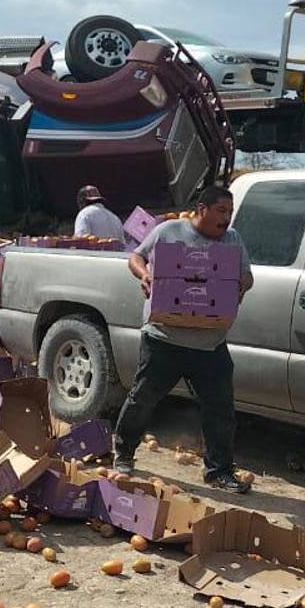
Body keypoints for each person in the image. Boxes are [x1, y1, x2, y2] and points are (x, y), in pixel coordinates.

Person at [113, 185, 255, 493]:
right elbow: (135, 257)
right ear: (202, 209)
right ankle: (123, 451)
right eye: (221, 211)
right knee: (143, 398)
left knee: (220, 409)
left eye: (230, 213)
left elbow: (247, 276)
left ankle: (218, 471)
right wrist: (145, 275)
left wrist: (238, 284)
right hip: (164, 338)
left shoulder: (233, 240)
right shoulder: (168, 231)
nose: (227, 219)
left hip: (210, 344)